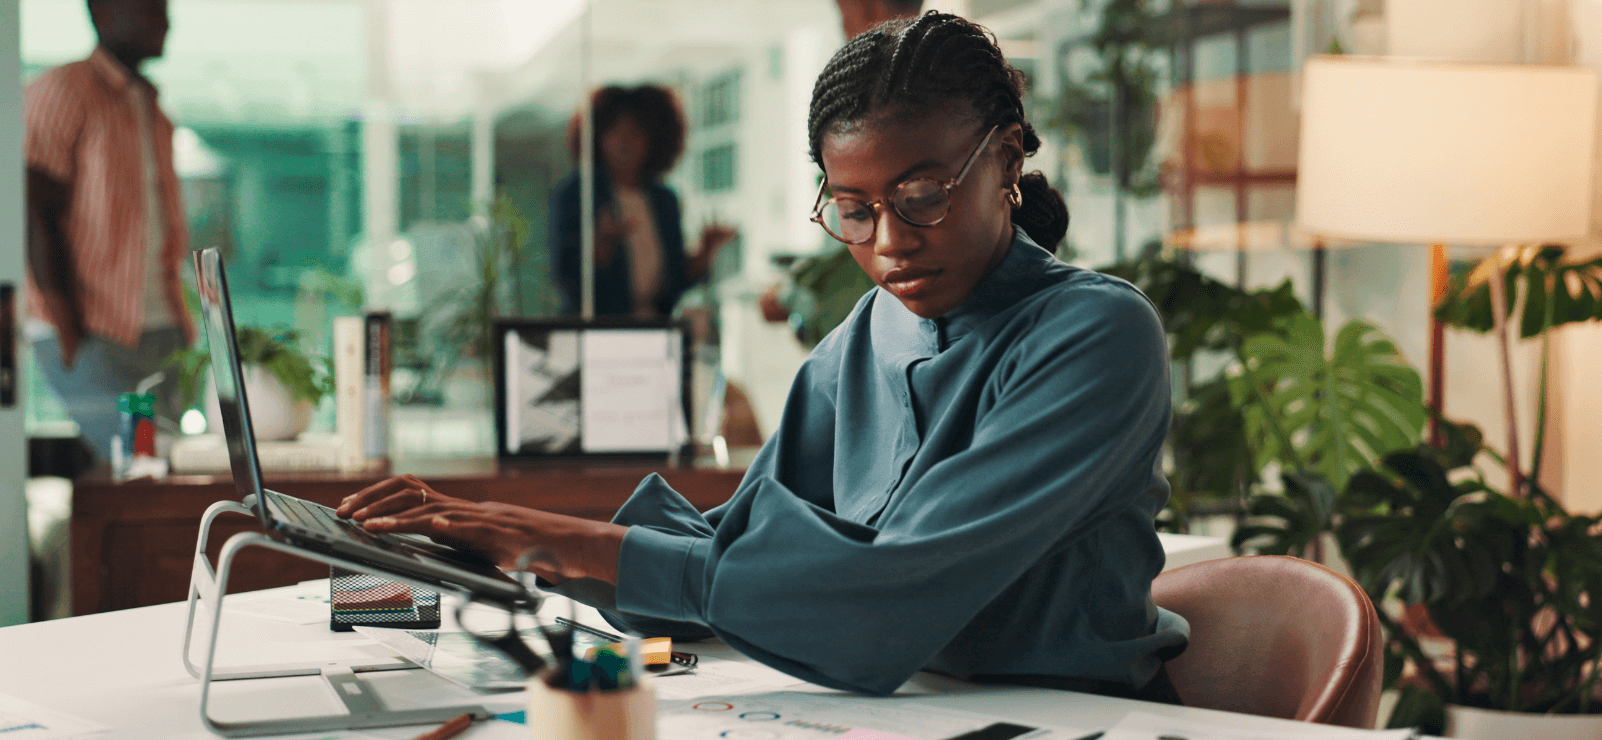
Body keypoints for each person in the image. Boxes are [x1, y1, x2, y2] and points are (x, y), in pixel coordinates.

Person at [339, 12, 1186, 701]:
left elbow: (877, 607)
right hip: (909, 714)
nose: (889, 242)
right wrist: (481, 556)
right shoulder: (865, 335)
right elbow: (736, 556)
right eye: (853, 209)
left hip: (1068, 720)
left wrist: (547, 536)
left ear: (1006, 158)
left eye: (923, 196)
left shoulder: (1094, 338)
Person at [26, 0, 194, 462]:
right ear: (100, 11)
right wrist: (68, 330)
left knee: (154, 471)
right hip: (95, 331)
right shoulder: (65, 90)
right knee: (141, 459)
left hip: (159, 333)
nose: (164, 20)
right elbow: (32, 209)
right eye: (148, 8)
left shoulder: (148, 102)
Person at [757, 0, 924, 345]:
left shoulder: (890, 95)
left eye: (842, 14)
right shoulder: (934, 77)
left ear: (866, 7)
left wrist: (793, 296)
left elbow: (865, 261)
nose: (843, 28)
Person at [550, 85, 736, 319]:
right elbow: (566, 278)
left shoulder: (664, 200)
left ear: (654, 138)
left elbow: (674, 283)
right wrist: (601, 244)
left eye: (636, 131)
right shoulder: (577, 194)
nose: (624, 141)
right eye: (614, 130)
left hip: (656, 331)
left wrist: (705, 252)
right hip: (599, 331)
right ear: (597, 136)